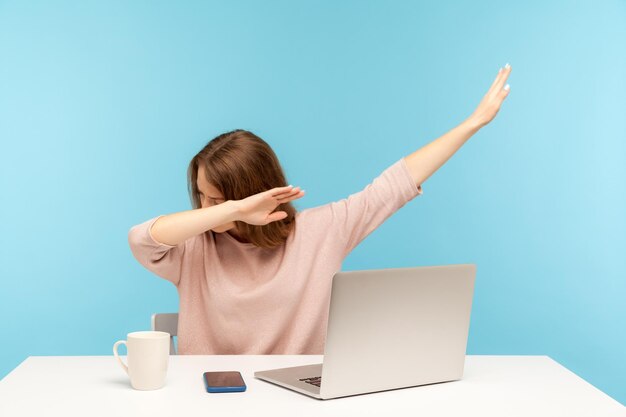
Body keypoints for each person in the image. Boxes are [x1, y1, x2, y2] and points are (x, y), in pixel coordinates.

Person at [128, 65, 512, 355]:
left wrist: (473, 123)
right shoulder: (193, 248)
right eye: (203, 198)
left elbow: (393, 185)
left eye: (220, 198)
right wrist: (232, 210)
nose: (208, 208)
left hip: (297, 400)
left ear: (256, 188)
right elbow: (141, 239)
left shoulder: (321, 231)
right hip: (208, 401)